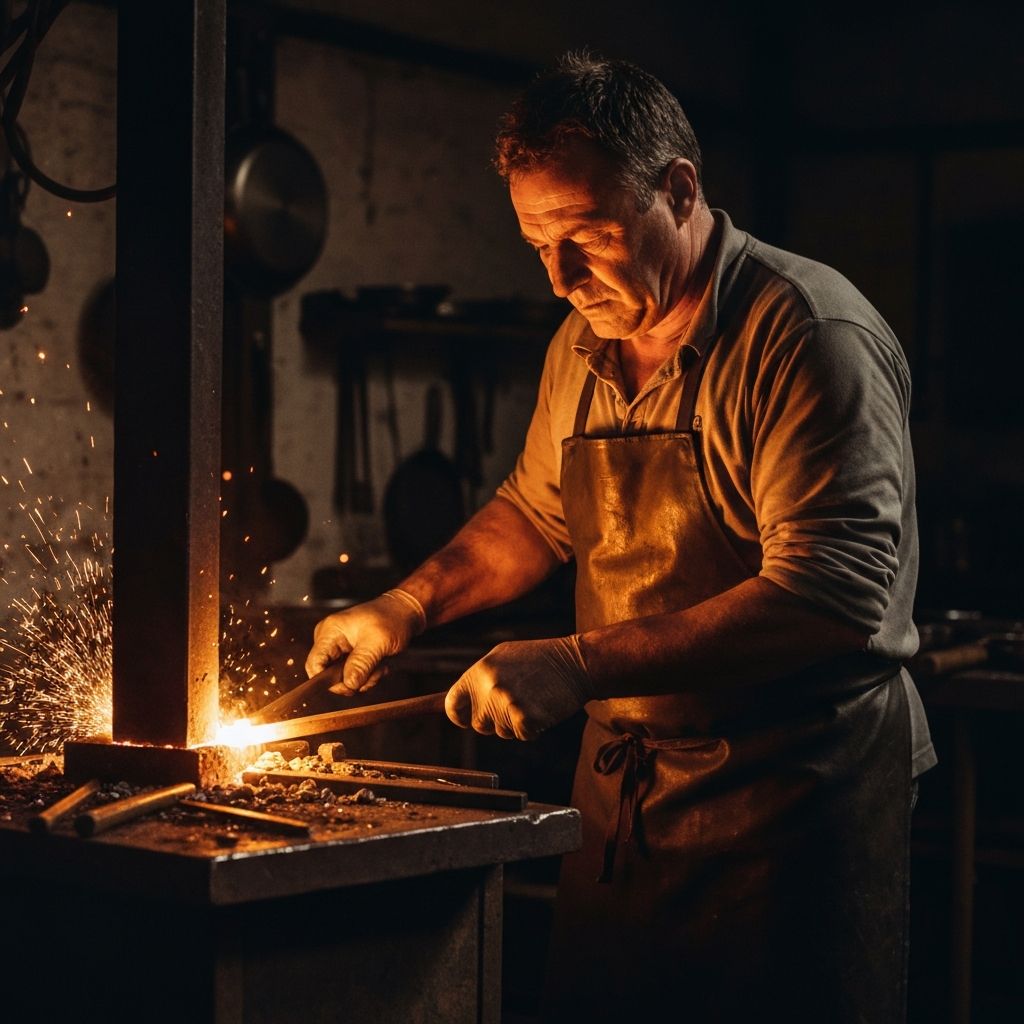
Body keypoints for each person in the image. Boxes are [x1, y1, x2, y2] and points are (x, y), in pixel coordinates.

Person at [306, 51, 935, 1023]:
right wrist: (407, 603)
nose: (559, 278)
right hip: (628, 805)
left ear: (678, 191)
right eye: (535, 243)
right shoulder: (584, 344)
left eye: (587, 236)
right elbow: (534, 510)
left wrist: (572, 662)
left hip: (790, 807)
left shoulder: (805, 334)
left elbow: (831, 593)